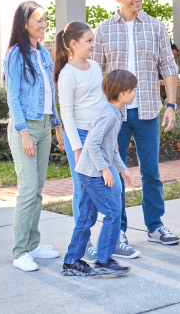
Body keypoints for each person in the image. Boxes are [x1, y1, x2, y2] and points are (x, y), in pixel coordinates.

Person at [93, 0, 180, 256]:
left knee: (151, 172)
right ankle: (117, 231)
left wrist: (171, 104)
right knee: (115, 175)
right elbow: (94, 73)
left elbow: (168, 66)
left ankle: (155, 226)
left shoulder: (156, 27)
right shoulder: (104, 30)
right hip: (114, 115)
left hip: (147, 111)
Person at [55, 21, 133, 263]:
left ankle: (112, 239)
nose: (93, 45)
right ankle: (85, 243)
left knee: (114, 185)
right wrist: (77, 147)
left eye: (92, 40)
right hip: (79, 136)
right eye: (88, 41)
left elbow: (102, 103)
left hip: (100, 133)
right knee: (83, 190)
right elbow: (66, 113)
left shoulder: (96, 67)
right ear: (73, 44)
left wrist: (112, 139)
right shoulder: (67, 74)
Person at [4, 1, 65, 272]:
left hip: (44, 127)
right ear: (25, 23)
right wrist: (24, 133)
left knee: (38, 190)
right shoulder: (16, 55)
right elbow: (13, 98)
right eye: (38, 20)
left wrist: (58, 127)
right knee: (28, 190)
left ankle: (33, 244)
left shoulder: (43, 54)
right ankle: (20, 252)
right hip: (24, 128)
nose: (43, 24)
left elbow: (51, 94)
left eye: (44, 19)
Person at [61, 69, 137, 277]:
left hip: (87, 170)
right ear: (122, 94)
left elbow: (110, 148)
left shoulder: (114, 112)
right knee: (113, 212)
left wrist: (122, 170)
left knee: (86, 218)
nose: (135, 94)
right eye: (133, 91)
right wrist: (105, 169)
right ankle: (104, 260)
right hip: (92, 173)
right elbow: (92, 144)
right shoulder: (110, 115)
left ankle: (71, 262)